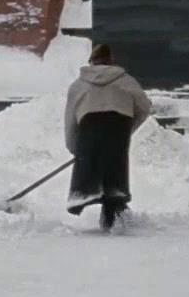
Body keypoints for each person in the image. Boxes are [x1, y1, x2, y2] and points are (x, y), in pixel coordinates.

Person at [63, 43, 154, 231]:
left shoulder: (78, 86)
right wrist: (128, 127)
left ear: (91, 62)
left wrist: (75, 147)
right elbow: (144, 107)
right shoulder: (126, 81)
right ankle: (114, 209)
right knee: (115, 171)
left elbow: (71, 120)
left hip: (89, 131)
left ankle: (84, 192)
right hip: (118, 128)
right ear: (111, 62)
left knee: (90, 168)